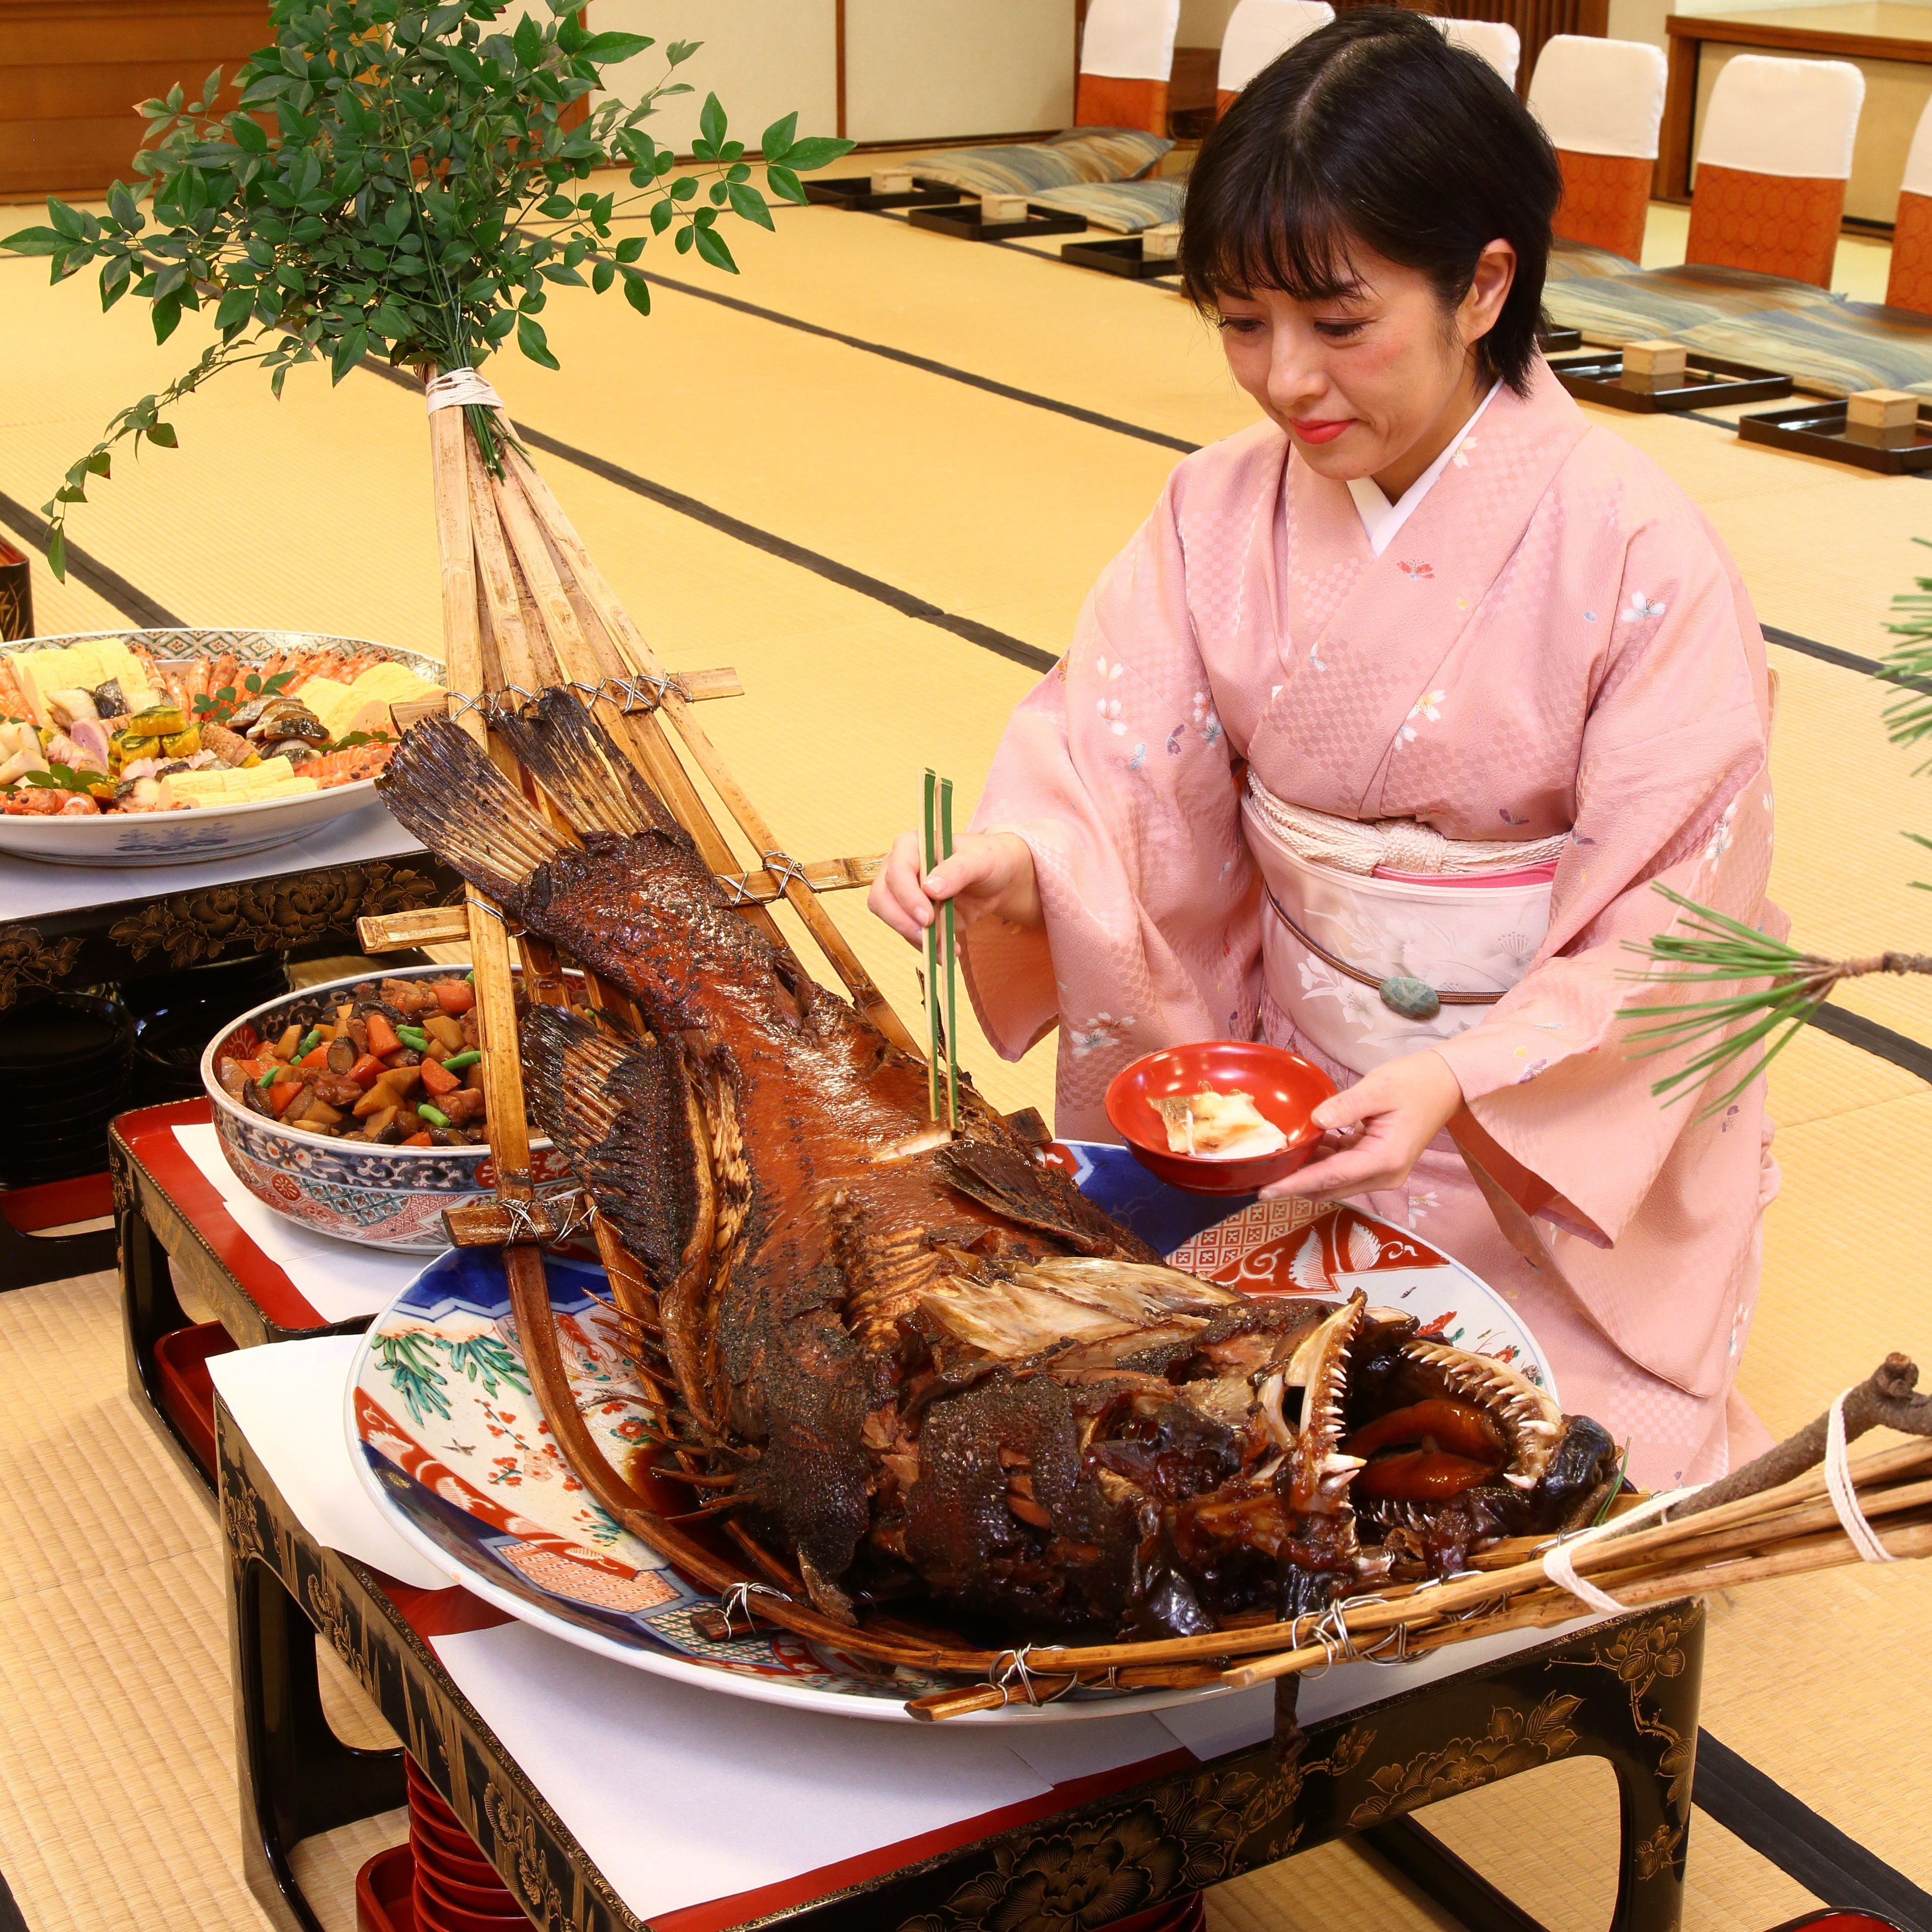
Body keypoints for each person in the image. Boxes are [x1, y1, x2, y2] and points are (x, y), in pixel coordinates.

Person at [867, 8, 1777, 1490]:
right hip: (1287, 1105)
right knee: (1165, 1424)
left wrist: (1466, 1079)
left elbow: (1679, 922)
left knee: (1535, 1466)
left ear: (1483, 283)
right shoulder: (1213, 512)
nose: (1284, 380)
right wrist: (1026, 863)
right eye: (1241, 324)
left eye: (1338, 323)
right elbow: (1111, 756)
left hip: (1525, 1145)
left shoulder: (1638, 552)